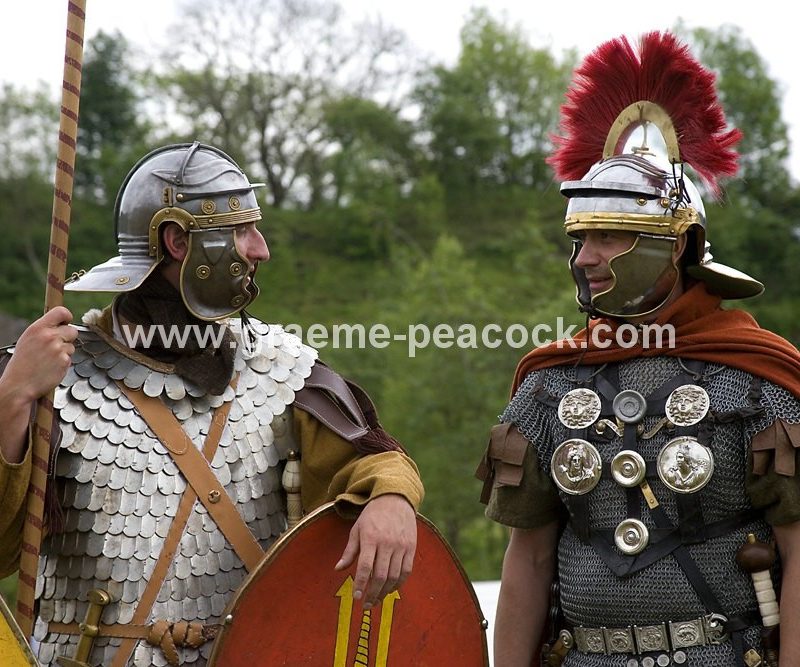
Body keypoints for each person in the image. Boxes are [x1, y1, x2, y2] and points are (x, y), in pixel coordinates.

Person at [0, 142, 423, 667]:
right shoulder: (55, 376)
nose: (260, 249)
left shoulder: (279, 369)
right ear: (179, 241)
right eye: (242, 230)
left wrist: (391, 499)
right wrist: (13, 399)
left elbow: (375, 460)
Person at [476, 32, 800, 667]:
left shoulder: (757, 380)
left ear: (676, 247)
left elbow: (799, 547)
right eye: (580, 239)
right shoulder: (549, 384)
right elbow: (529, 558)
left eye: (610, 238)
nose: (586, 258)